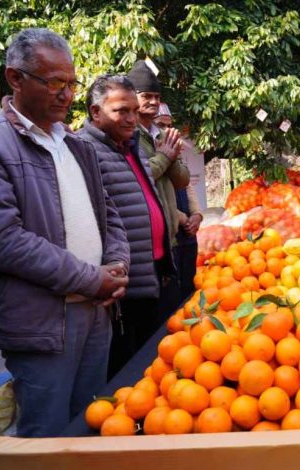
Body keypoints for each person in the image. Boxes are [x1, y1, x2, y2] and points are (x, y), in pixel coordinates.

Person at [0, 28, 130, 437]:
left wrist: (117, 264)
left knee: (91, 425)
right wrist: (90, 278)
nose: (66, 94)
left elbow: (109, 214)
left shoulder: (75, 144)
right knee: (47, 437)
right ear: (15, 78)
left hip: (96, 310)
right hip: (41, 324)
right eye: (54, 83)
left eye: (72, 84)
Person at [78, 74, 175, 379]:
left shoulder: (132, 146)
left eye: (134, 110)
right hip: (124, 284)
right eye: (121, 111)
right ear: (96, 112)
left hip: (152, 271)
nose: (132, 118)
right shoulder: (84, 150)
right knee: (129, 371)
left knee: (154, 362)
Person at [127, 60, 189, 318]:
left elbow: (182, 180)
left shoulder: (161, 135)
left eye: (156, 96)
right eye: (146, 96)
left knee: (171, 314)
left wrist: (170, 156)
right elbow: (137, 177)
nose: (153, 102)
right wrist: (165, 157)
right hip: (143, 245)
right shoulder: (128, 135)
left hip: (169, 238)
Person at [153, 105, 204, 305]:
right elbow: (156, 194)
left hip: (188, 234)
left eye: (169, 125)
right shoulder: (153, 152)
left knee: (189, 286)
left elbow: (187, 185)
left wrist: (197, 214)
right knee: (173, 294)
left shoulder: (174, 150)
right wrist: (183, 219)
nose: (166, 130)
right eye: (160, 125)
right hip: (171, 230)